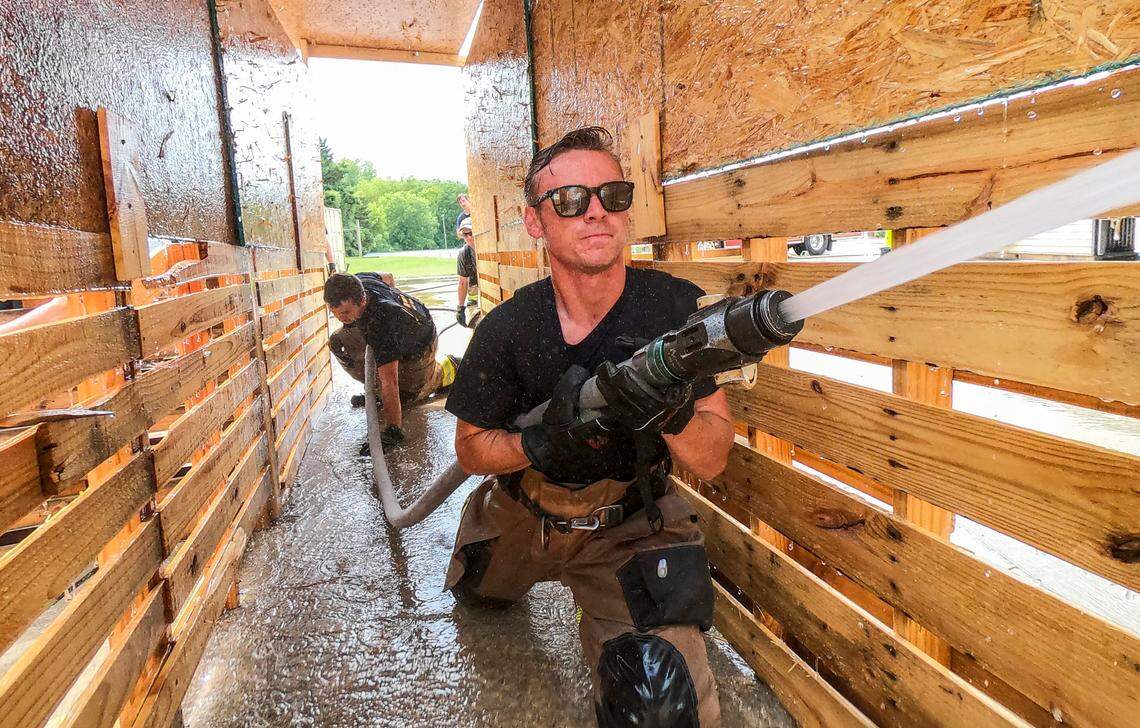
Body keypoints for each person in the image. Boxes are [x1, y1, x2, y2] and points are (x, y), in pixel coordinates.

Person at [443, 127, 733, 726]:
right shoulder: (507, 329)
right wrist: (538, 442)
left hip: (631, 523)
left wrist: (669, 412)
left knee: (658, 700)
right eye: (571, 199)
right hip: (529, 510)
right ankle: (485, 548)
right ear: (536, 223)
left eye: (612, 195)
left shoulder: (672, 311)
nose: (596, 210)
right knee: (477, 594)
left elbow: (711, 458)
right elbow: (470, 449)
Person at [324, 272, 459, 453]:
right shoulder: (356, 281)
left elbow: (390, 382)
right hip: (396, 329)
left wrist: (392, 430)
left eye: (346, 312)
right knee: (338, 342)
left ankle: (450, 367)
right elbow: (387, 276)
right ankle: (378, 390)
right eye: (335, 313)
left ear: (362, 300)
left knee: (407, 396)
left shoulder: (382, 322)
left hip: (419, 345)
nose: (340, 318)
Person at [455, 216, 480, 328]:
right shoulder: (463, 254)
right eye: (465, 234)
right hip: (474, 301)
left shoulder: (489, 247)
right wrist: (460, 308)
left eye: (471, 232)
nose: (469, 237)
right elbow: (463, 282)